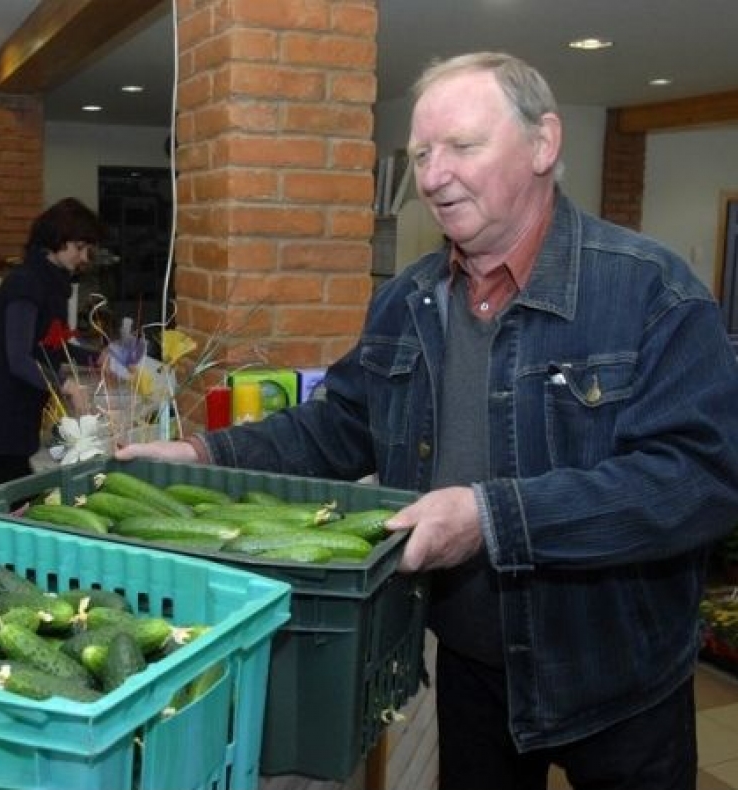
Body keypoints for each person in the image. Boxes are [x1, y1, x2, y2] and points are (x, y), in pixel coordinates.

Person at [116, 52, 738, 789]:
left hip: (617, 682)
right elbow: (338, 426)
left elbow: (698, 482)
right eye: (421, 154)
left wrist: (492, 516)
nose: (434, 176)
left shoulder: (652, 293)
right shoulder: (408, 300)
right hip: (471, 670)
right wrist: (203, 456)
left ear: (544, 144)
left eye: (463, 147)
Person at [0, 197, 101, 493]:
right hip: (2, 412)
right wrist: (66, 386)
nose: (84, 258)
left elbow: (51, 347)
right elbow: (19, 359)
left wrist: (99, 358)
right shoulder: (27, 283)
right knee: (7, 508)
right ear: (57, 240)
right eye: (79, 248)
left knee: (18, 501)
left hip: (20, 410)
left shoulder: (51, 284)